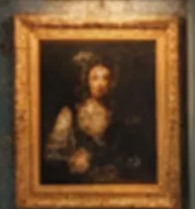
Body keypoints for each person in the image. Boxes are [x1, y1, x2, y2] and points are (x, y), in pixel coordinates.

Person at [44, 51, 144, 183]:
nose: (100, 84)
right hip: (81, 182)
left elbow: (130, 156)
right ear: (86, 81)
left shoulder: (117, 114)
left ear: (111, 82)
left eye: (105, 78)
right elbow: (52, 154)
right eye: (95, 78)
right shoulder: (71, 113)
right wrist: (72, 158)